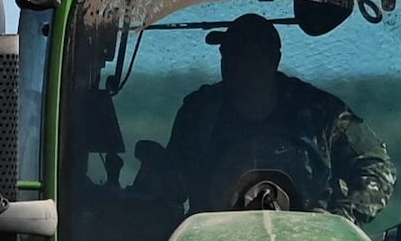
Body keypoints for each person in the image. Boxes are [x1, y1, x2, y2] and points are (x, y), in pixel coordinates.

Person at [149, 14, 382, 215]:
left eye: (243, 53)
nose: (232, 62)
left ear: (273, 60)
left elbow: (376, 167)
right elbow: (170, 184)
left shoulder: (319, 113)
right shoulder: (200, 112)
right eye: (227, 53)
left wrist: (342, 220)